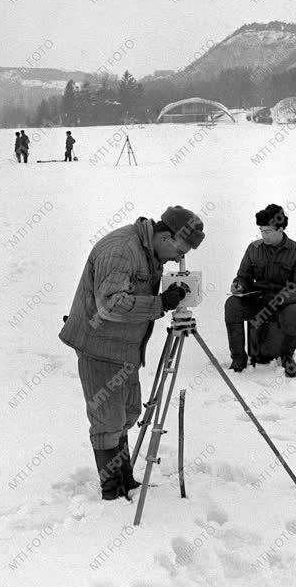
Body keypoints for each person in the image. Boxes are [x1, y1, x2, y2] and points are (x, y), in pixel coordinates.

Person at [59, 205, 205, 501]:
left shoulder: (148, 250)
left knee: (127, 414)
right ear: (165, 236)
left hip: (125, 347)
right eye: (180, 249)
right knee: (108, 420)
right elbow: (111, 304)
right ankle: (112, 491)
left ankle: (125, 480)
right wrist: (159, 303)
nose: (179, 258)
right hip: (99, 345)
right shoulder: (122, 250)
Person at [225, 204, 296, 378]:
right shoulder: (254, 248)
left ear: (281, 229)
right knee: (232, 305)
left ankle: (287, 357)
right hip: (258, 299)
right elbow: (243, 276)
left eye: (268, 231)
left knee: (295, 313)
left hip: (283, 303)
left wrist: (283, 298)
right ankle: (238, 358)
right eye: (261, 230)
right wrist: (239, 285)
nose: (263, 235)